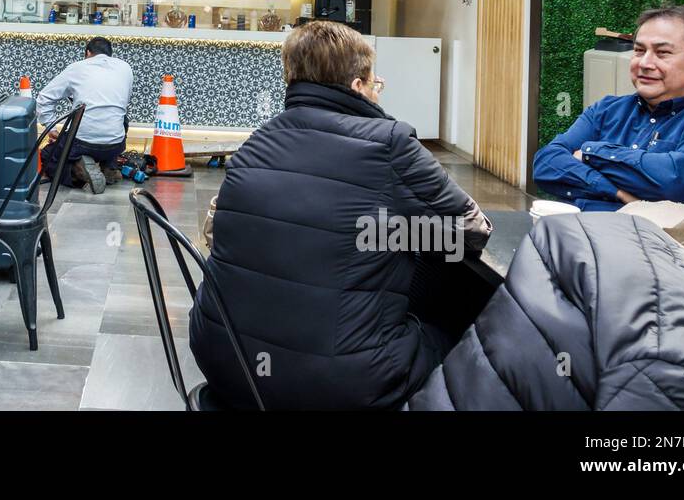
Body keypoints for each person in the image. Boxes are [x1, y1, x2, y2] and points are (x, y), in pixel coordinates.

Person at [189, 21, 492, 410]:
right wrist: (394, 234)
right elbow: (471, 230)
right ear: (357, 86)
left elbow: (223, 231)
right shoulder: (391, 143)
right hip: (337, 385)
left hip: (225, 362)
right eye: (374, 83)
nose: (377, 92)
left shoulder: (257, 141)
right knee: (466, 322)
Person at [408, 212, 684, 410]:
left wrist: (594, 158)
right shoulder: (611, 110)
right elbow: (548, 162)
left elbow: (680, 178)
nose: (642, 70)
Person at [534, 4, 684, 221]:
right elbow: (546, 164)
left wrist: (589, 152)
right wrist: (618, 193)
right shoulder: (606, 110)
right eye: (639, 50)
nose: (644, 63)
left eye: (662, 53)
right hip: (591, 250)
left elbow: (673, 182)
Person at [36, 37, 134, 194]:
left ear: (88, 53)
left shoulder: (77, 68)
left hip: (82, 144)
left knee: (48, 154)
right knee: (123, 119)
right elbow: (123, 103)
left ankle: (78, 170)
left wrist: (51, 128)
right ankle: (109, 165)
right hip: (116, 144)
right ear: (110, 54)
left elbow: (44, 98)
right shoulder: (125, 68)